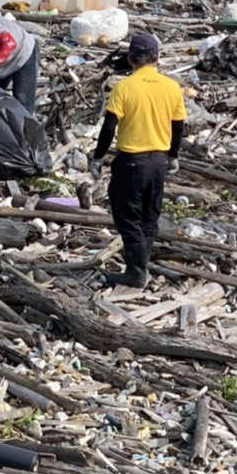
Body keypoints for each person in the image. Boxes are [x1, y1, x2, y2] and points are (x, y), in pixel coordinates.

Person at [90, 33, 187, 289]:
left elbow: (109, 127)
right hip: (159, 163)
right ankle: (140, 268)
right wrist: (173, 156)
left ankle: (135, 272)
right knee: (149, 217)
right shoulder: (172, 87)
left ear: (132, 59)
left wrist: (98, 158)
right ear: (157, 58)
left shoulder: (125, 87)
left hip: (132, 162)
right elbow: (178, 127)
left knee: (126, 216)